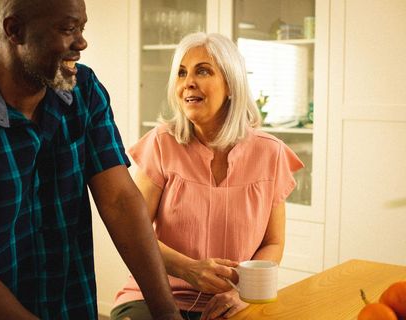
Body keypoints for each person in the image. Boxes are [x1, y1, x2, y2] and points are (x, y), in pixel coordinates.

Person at [0, 0, 183, 319]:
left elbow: (119, 200)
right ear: (15, 30)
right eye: (67, 28)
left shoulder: (85, 91)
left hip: (67, 305)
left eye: (82, 28)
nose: (82, 42)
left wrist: (167, 312)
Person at [111, 32, 304, 320]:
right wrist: (188, 269)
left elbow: (273, 242)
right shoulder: (162, 143)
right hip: (155, 297)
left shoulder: (270, 153)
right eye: (181, 72)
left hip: (236, 301)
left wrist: (243, 292)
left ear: (231, 85)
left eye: (203, 70)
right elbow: (132, 234)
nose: (188, 81)